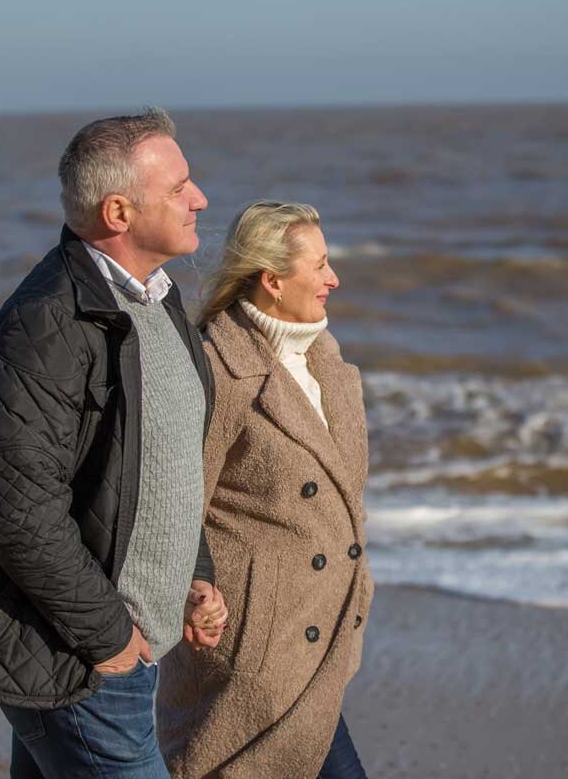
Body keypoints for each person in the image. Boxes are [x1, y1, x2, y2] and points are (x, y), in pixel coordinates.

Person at [0, 108, 228, 779]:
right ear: (120, 212)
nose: (200, 198)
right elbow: (18, 517)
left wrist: (194, 576)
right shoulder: (46, 326)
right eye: (180, 186)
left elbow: (161, 467)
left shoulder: (157, 302)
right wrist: (112, 641)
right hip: (74, 658)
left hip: (115, 652)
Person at [157, 201, 374, 778]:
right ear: (273, 281)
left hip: (319, 622)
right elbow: (177, 501)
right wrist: (193, 589)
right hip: (254, 639)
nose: (334, 279)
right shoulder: (217, 369)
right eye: (320, 265)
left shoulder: (325, 363)